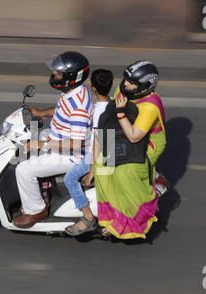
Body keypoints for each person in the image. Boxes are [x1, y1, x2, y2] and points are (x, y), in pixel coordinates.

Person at [13, 51, 92, 228]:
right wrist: (40, 113)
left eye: (58, 73)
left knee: (23, 170)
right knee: (24, 144)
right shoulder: (73, 91)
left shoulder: (79, 107)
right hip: (58, 139)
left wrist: (43, 144)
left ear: (71, 76)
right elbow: (61, 111)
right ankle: (43, 185)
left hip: (72, 155)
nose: (53, 75)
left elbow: (76, 143)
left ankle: (36, 210)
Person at [94, 60, 167, 239]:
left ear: (144, 86)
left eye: (131, 82)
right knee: (102, 169)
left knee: (125, 174)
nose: (125, 84)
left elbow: (135, 136)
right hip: (123, 133)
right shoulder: (123, 90)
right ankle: (114, 217)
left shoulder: (150, 106)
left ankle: (135, 221)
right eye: (126, 79)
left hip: (146, 143)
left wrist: (120, 113)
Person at [64, 69, 113, 236]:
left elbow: (98, 142)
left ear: (93, 88)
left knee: (70, 179)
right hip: (111, 148)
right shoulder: (112, 102)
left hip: (100, 153)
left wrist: (92, 171)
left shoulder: (99, 111)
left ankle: (87, 217)